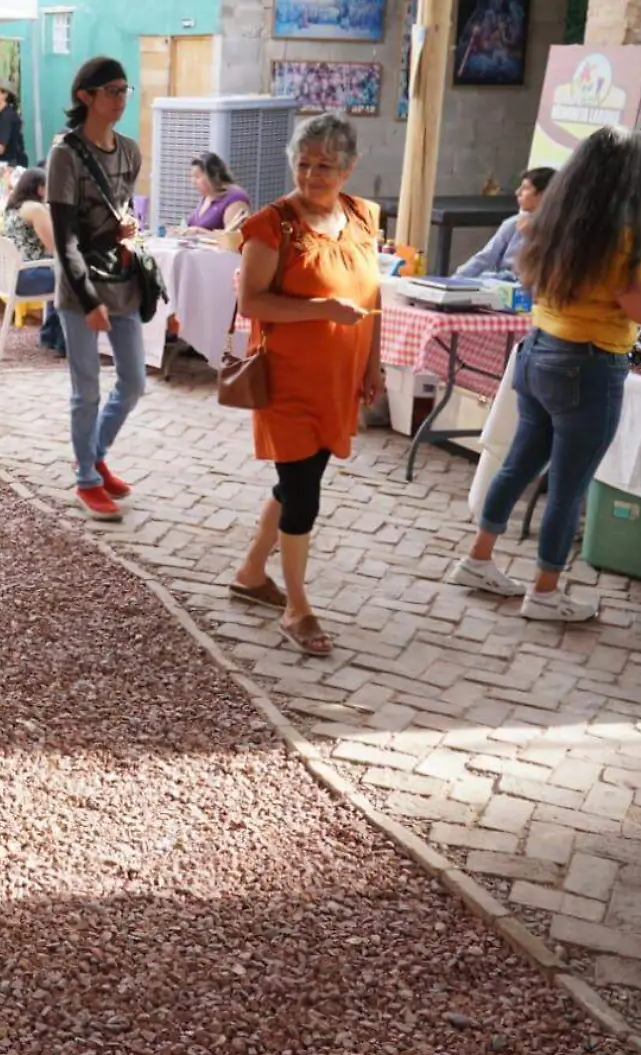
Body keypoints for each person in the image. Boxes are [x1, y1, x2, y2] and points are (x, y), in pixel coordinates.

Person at [445, 126, 641, 622]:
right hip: (588, 366)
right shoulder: (617, 240)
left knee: (517, 463)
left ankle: (478, 559)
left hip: (538, 352)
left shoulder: (547, 222)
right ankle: (546, 592)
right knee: (569, 486)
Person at [226, 113, 383, 657]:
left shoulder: (364, 216)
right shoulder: (273, 224)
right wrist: (322, 309)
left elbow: (373, 298)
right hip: (287, 379)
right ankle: (297, 607)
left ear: (349, 167)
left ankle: (251, 574)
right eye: (304, 163)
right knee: (302, 492)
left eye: (326, 166)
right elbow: (252, 301)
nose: (312, 175)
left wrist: (373, 364)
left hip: (339, 377)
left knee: (303, 476)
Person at [47, 56, 147, 520]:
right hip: (80, 284)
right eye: (112, 91)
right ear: (86, 97)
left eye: (125, 90)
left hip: (122, 279)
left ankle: (93, 452)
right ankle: (86, 477)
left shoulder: (130, 151)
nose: (121, 98)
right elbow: (65, 237)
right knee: (86, 388)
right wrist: (87, 302)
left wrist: (126, 230)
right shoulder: (65, 155)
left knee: (133, 381)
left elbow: (118, 215)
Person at [2, 167, 65, 354]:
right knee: (73, 278)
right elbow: (56, 247)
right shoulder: (36, 209)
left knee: (60, 273)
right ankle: (64, 343)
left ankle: (50, 336)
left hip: (10, 275)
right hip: (27, 277)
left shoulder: (13, 208)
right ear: (40, 189)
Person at [455, 166, 554, 279]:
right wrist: (455, 279)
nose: (518, 192)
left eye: (525, 188)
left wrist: (532, 236)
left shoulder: (560, 230)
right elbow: (485, 258)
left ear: (543, 195)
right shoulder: (512, 224)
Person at [184, 152, 252, 232]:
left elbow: (234, 237)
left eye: (197, 177)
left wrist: (200, 232)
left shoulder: (235, 199)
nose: (193, 181)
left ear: (213, 177)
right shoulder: (207, 196)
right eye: (192, 176)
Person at [0, 84, 28, 168]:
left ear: (4, 94)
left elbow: (0, 148)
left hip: (10, 167)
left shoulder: (7, 116)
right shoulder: (1, 116)